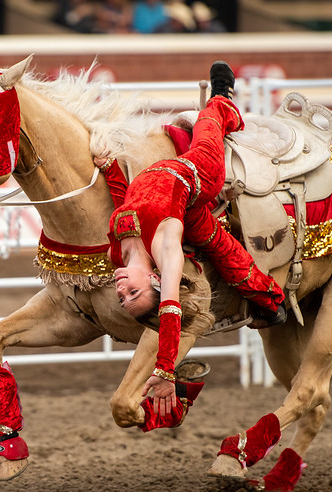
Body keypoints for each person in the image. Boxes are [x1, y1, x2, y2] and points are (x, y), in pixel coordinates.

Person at [94, 61, 286, 432]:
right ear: (153, 279)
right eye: (133, 292)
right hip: (196, 178)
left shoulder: (116, 253)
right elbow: (169, 310)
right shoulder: (166, 249)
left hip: (181, 205)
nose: (120, 289)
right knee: (208, 122)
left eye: (122, 297)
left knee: (221, 245)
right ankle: (223, 94)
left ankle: (268, 299)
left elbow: (125, 205)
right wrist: (166, 370)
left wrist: (109, 169)